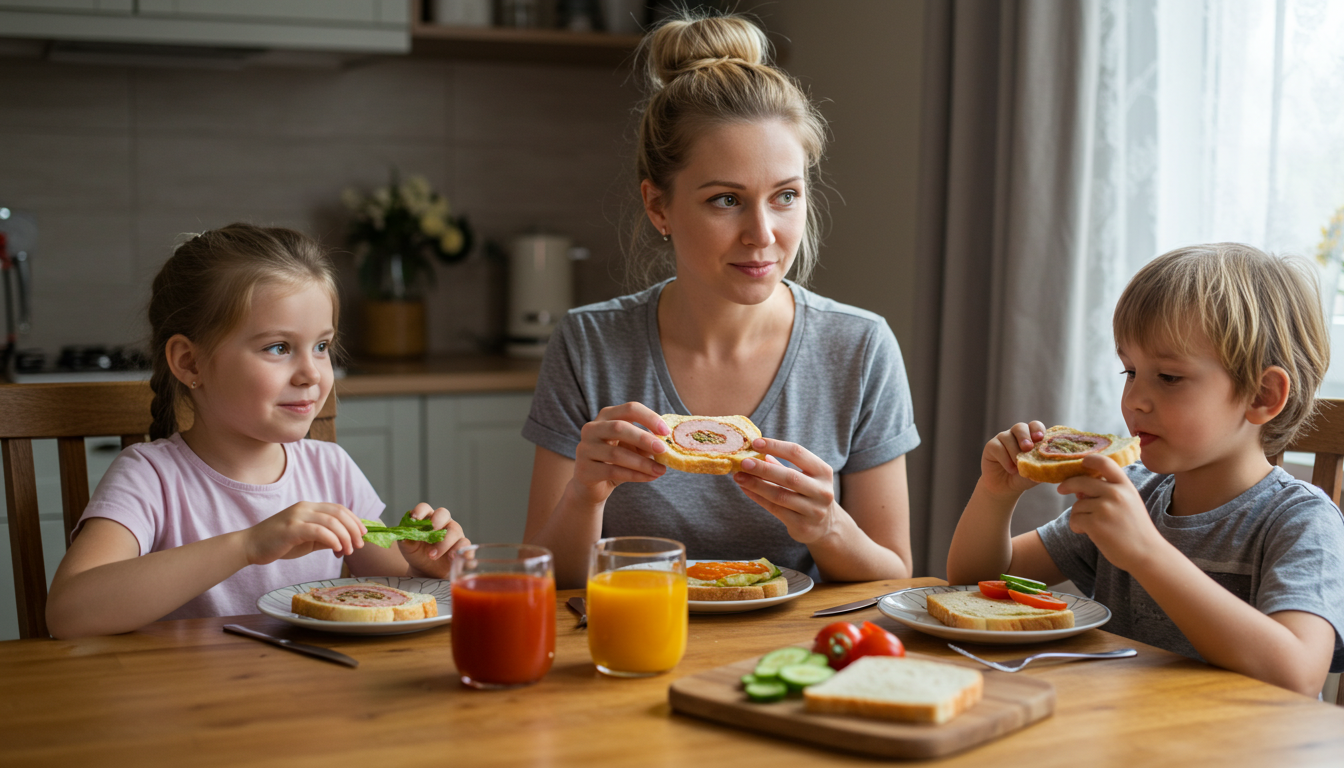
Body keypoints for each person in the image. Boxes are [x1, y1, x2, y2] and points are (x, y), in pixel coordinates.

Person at [522, 12, 919, 587]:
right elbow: (546, 579)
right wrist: (586, 493)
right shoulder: (589, 343)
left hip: (791, 662)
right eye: (726, 200)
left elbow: (895, 574)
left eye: (785, 196)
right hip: (629, 649)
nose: (762, 233)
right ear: (659, 206)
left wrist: (827, 526)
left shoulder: (860, 346)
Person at [947, 243, 1344, 697]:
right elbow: (973, 581)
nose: (1135, 399)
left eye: (1169, 377)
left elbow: (1297, 673)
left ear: (1261, 396)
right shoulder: (1133, 493)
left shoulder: (1300, 521)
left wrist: (1145, 552)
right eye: (1130, 371)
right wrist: (996, 495)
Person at [45, 223, 466, 638]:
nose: (311, 374)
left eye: (321, 346)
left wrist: (427, 570)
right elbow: (69, 613)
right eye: (278, 348)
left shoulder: (331, 470)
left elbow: (400, 597)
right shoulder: (151, 477)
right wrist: (246, 546)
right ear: (190, 363)